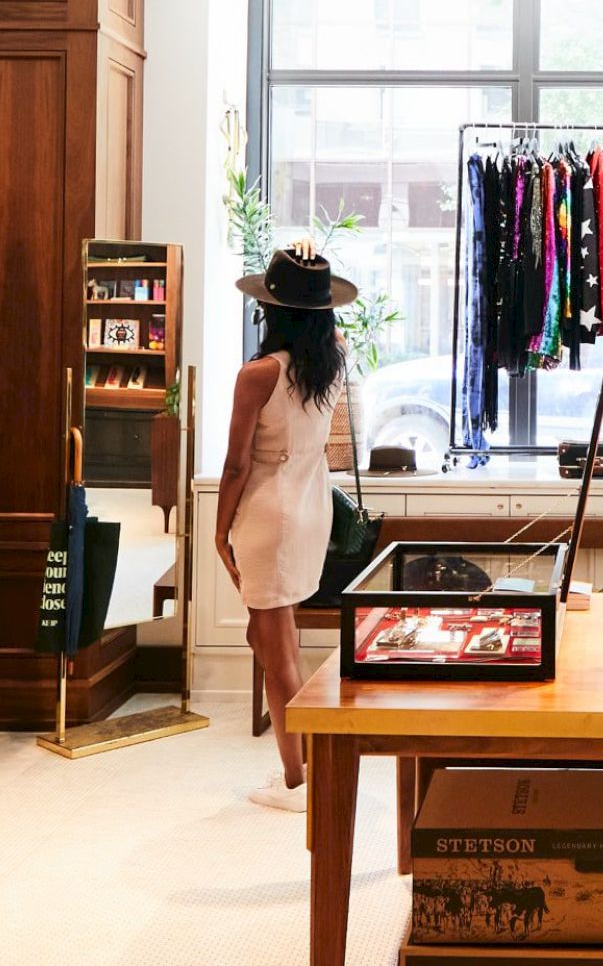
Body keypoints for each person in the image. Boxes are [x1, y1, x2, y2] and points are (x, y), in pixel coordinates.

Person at [215, 242, 355, 812]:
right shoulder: (336, 358)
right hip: (310, 502)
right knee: (276, 636)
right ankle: (304, 765)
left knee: (278, 655)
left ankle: (299, 782)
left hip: (270, 511)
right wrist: (310, 265)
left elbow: (236, 464)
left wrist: (220, 530)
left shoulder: (258, 374)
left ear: (270, 311)